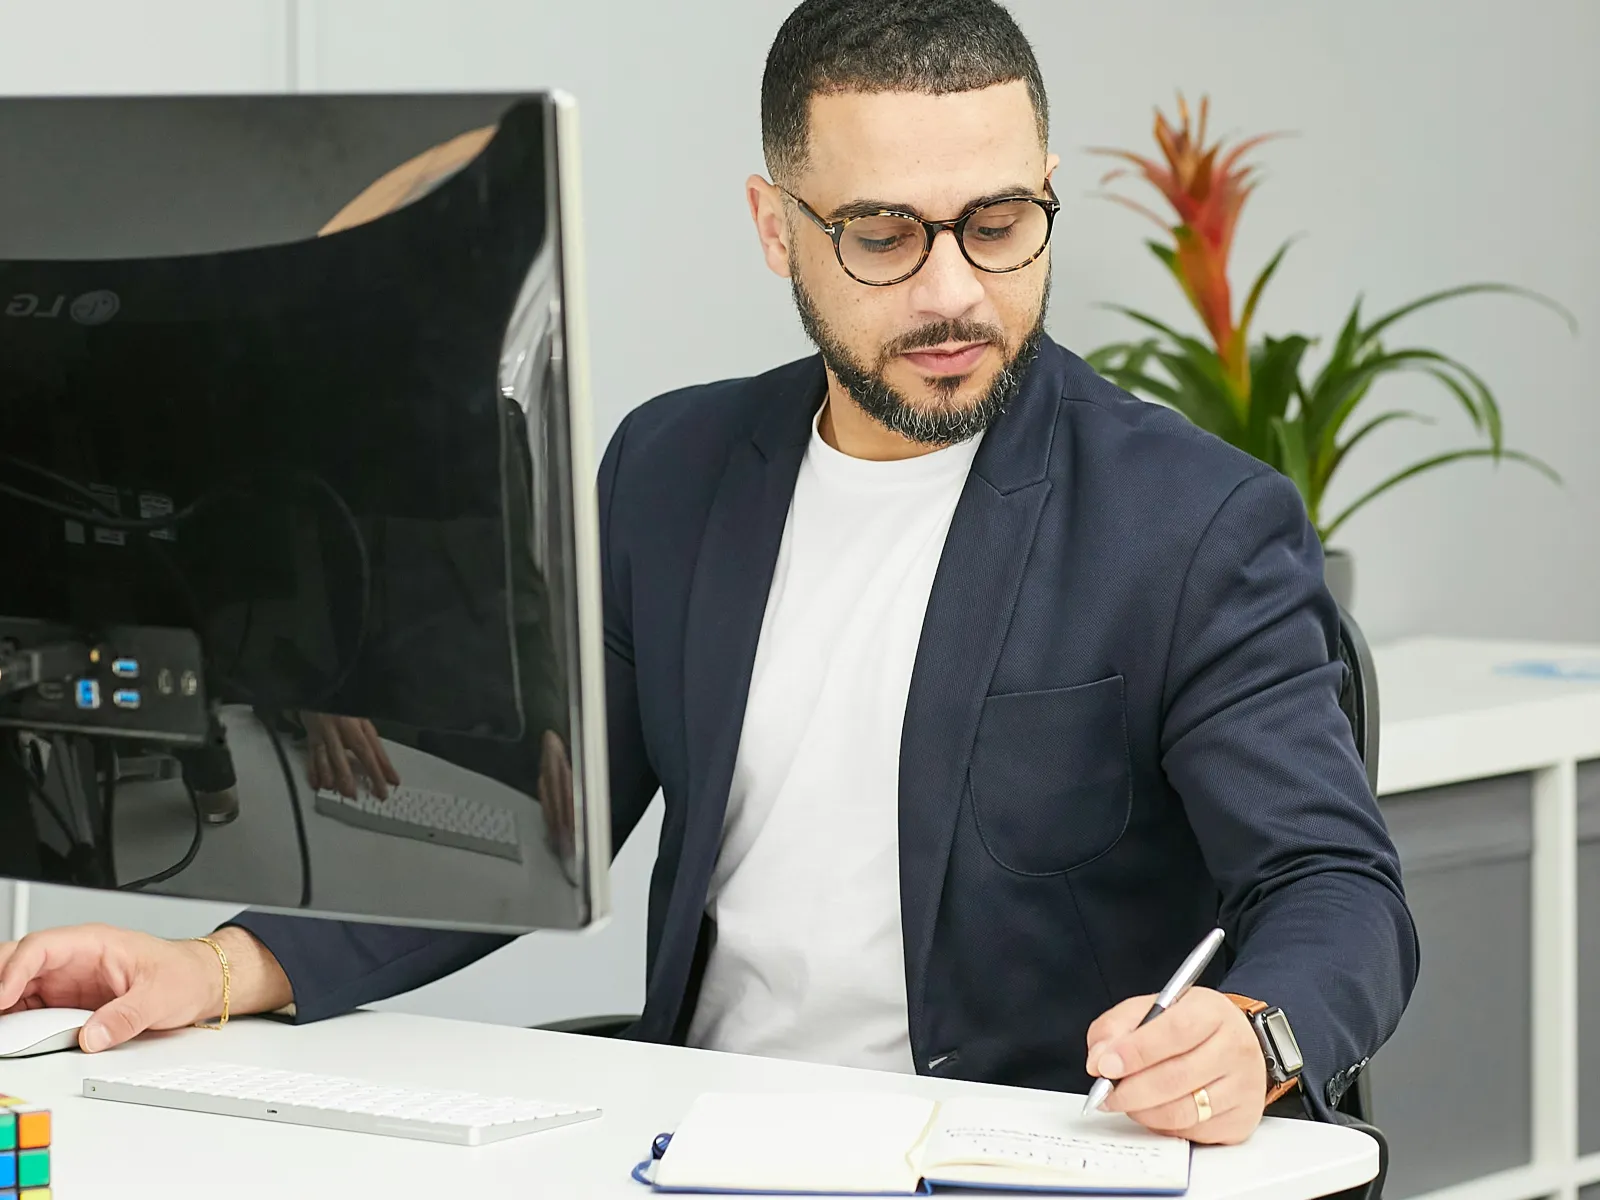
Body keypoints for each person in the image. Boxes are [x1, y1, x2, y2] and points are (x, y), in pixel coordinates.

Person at [0, 0, 1418, 1148]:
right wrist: (222, 969)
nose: (952, 292)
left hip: (1019, 1156)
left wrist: (1259, 1036)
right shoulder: (673, 470)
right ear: (774, 225)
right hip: (698, 1138)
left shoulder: (1192, 522)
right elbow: (531, 833)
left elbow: (1335, 884)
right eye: (883, 234)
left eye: (999, 223)